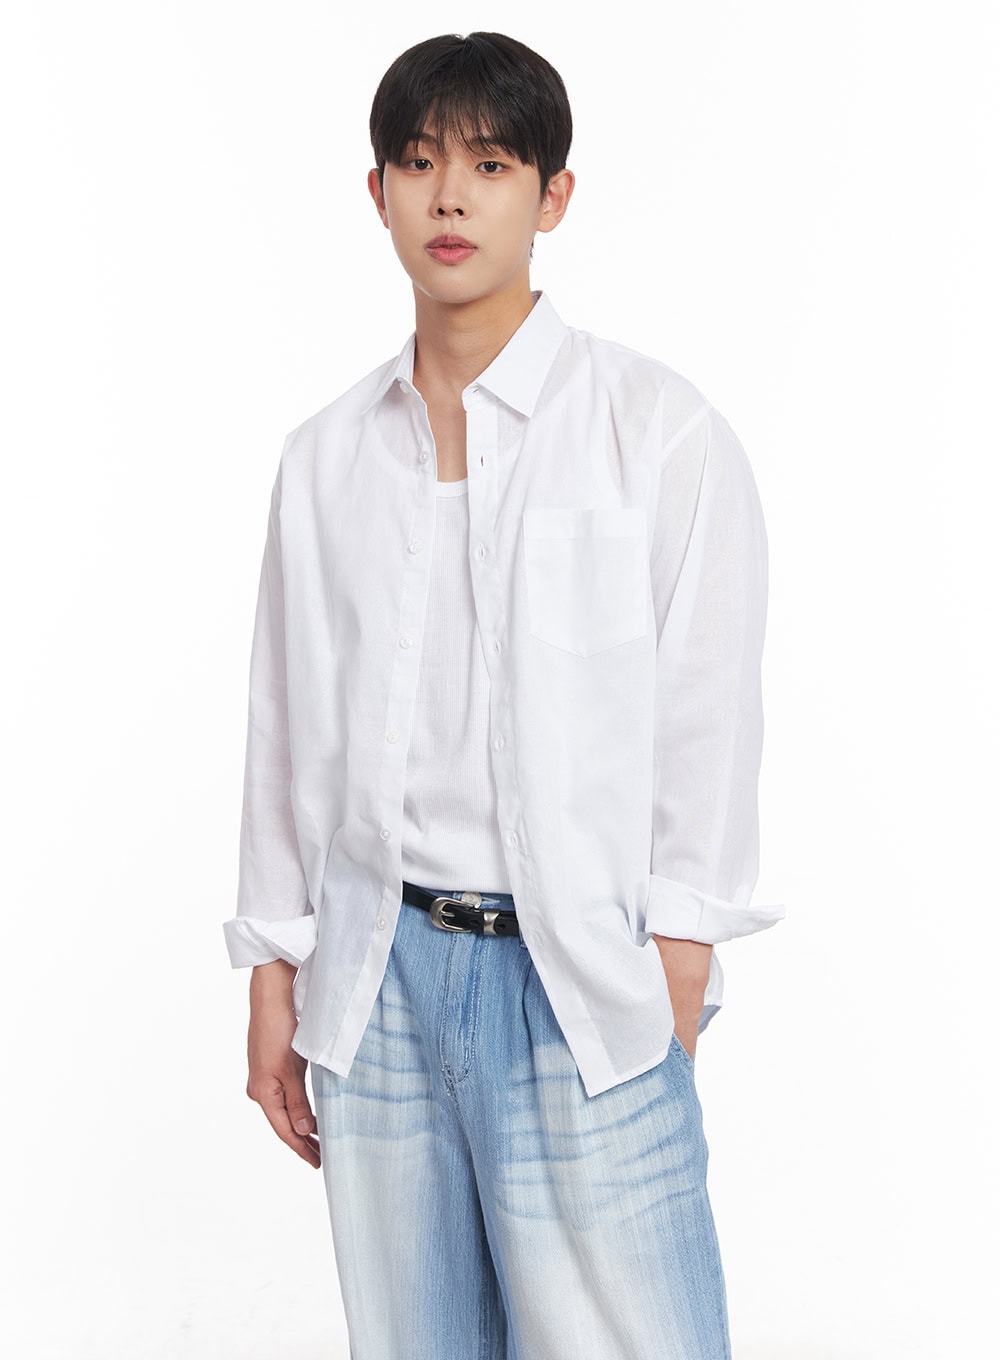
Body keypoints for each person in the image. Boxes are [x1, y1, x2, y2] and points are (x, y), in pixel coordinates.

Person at [223, 30, 784, 1360]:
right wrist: (274, 973)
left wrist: (674, 970)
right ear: (377, 194)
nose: (451, 197)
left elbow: (708, 716)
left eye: (489, 164)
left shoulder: (658, 433)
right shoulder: (324, 458)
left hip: (577, 976)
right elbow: (283, 725)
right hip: (379, 980)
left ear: (554, 195)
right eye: (420, 164)